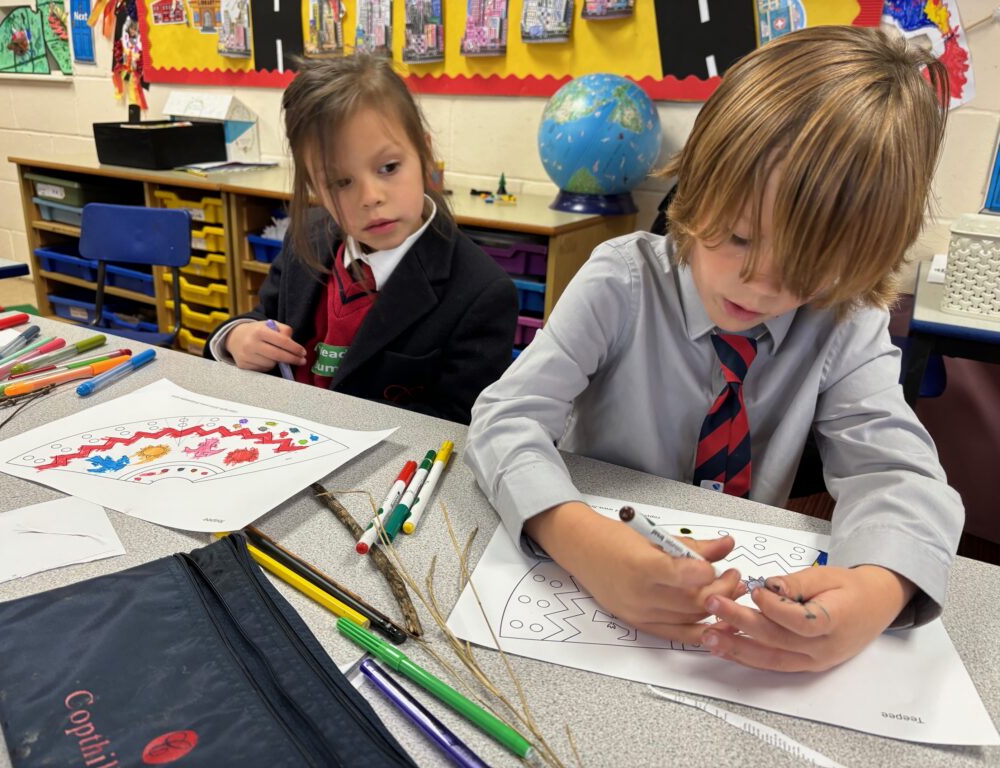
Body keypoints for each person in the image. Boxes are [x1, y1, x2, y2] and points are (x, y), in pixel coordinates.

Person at [465, 26, 964, 673]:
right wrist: (580, 539)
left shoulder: (846, 319)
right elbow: (506, 416)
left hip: (727, 614)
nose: (762, 284)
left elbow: (894, 473)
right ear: (699, 188)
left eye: (811, 264)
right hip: (591, 593)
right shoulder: (620, 280)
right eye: (738, 236)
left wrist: (878, 590)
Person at [206, 55, 518, 425]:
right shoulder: (306, 239)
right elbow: (265, 319)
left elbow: (459, 424)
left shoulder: (482, 292)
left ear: (424, 153)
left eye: (388, 168)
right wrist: (236, 338)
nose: (370, 196)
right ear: (315, 187)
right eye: (341, 182)